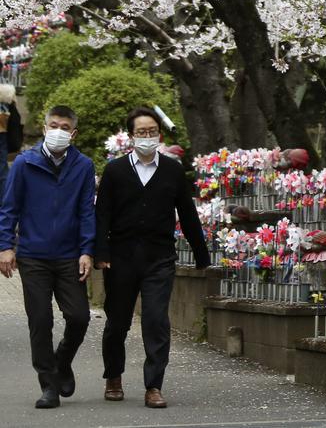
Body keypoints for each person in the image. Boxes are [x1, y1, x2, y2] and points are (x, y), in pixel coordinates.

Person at [95, 106, 210, 408]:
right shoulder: (116, 171)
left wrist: (201, 255)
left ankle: (154, 386)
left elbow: (187, 213)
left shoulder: (172, 170)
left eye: (151, 132)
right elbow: (102, 214)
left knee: (156, 320)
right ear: (130, 136)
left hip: (159, 257)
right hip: (120, 257)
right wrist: (101, 253)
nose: (146, 137)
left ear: (158, 134)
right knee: (117, 322)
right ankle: (114, 376)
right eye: (140, 132)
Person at [0, 105, 95, 409]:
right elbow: (8, 208)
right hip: (33, 256)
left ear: (73, 133)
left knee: (79, 316)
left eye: (64, 127)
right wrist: (5, 247)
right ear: (43, 129)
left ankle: (61, 361)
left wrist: (86, 250)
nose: (58, 131)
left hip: (69, 255)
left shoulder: (83, 166)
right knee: (40, 320)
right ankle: (48, 384)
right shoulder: (24, 164)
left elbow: (86, 211)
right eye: (53, 125)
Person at [0, 83, 23, 193]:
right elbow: (14, 115)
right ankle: (5, 200)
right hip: (2, 131)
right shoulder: (7, 91)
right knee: (2, 166)